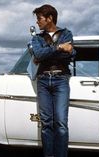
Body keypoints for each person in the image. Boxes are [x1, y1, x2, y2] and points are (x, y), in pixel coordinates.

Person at [30, 4, 76, 157]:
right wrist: (58, 48)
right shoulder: (37, 38)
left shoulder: (66, 33)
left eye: (39, 19)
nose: (37, 22)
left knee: (61, 123)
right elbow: (38, 54)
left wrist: (46, 54)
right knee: (46, 124)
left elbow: (70, 55)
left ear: (50, 18)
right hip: (43, 80)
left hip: (61, 79)